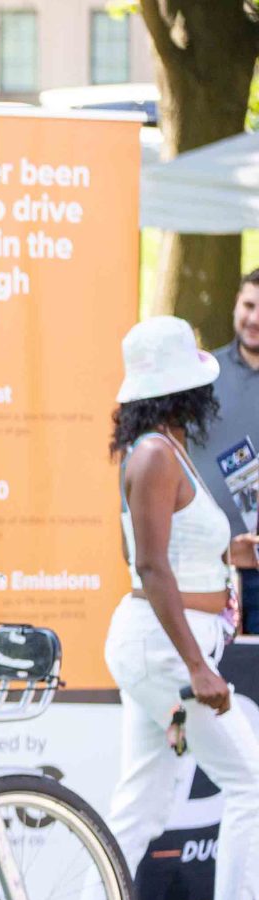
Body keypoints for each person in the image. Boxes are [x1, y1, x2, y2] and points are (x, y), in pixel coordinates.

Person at [72, 317, 259, 900]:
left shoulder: (167, 448)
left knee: (140, 803)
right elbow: (147, 566)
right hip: (164, 649)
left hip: (161, 645)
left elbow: (171, 550)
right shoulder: (154, 454)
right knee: (250, 778)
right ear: (181, 388)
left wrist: (228, 553)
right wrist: (200, 666)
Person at [187, 267, 259, 631]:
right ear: (235, 305)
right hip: (208, 564)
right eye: (249, 305)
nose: (255, 319)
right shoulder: (202, 377)